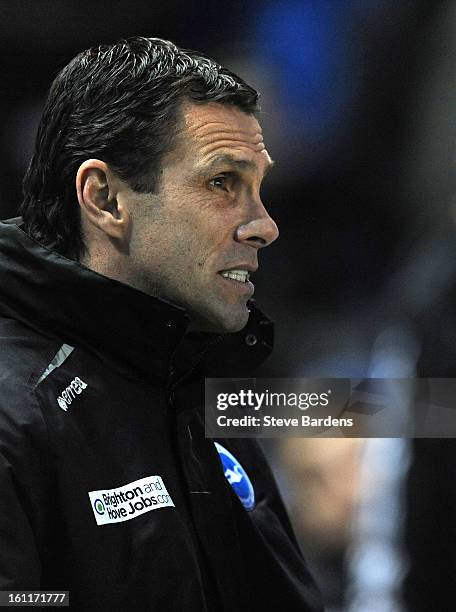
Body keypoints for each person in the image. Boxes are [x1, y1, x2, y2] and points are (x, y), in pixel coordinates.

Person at [0, 37, 322, 610]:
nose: (265, 226)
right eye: (222, 182)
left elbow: (402, 412)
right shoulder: (18, 412)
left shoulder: (198, 378)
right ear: (104, 198)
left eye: (259, 188)